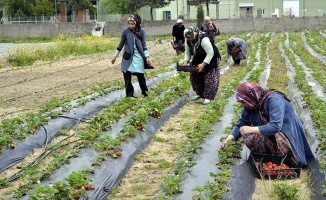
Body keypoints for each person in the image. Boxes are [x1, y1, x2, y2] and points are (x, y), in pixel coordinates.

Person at [221, 82, 314, 167]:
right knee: (250, 140)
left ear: (250, 97)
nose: (243, 105)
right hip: (271, 132)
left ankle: (290, 158)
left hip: (286, 133)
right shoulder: (251, 103)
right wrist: (228, 140)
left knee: (276, 139)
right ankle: (273, 156)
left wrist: (251, 129)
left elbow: (276, 126)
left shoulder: (273, 99)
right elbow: (241, 123)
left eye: (243, 102)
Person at [111, 13, 151, 98]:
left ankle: (145, 93)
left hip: (138, 57)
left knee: (140, 76)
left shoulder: (141, 31)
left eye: (133, 24)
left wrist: (147, 56)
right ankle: (129, 95)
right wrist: (115, 56)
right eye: (129, 24)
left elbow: (144, 45)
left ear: (137, 23)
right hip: (128, 57)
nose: (131, 26)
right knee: (127, 77)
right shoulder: (125, 31)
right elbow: (121, 44)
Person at [183, 27, 221, 105]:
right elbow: (187, 53)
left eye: (190, 38)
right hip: (198, 57)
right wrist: (185, 62)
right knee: (195, 76)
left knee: (209, 78)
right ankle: (199, 94)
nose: (189, 39)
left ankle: (208, 97)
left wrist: (203, 64)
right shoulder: (187, 41)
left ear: (194, 35)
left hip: (211, 57)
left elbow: (210, 52)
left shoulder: (203, 39)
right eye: (187, 38)